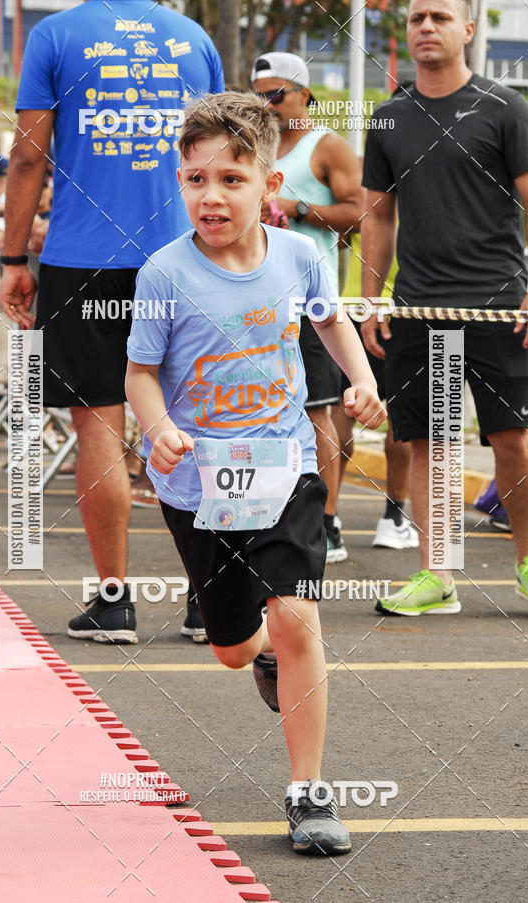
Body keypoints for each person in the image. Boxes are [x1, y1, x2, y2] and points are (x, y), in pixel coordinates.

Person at [125, 91, 386, 853]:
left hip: (285, 464)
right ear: (179, 182)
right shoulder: (163, 274)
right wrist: (161, 427)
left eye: (232, 180)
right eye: (195, 179)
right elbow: (140, 372)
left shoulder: (300, 255)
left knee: (299, 614)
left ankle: (308, 790)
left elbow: (328, 318)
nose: (212, 196)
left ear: (271, 186)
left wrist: (359, 379)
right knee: (234, 645)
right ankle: (260, 651)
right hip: (197, 483)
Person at [1, 0, 224, 644]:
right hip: (182, 256)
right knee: (196, 421)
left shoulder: (55, 33)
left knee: (99, 420)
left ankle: (115, 602)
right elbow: (215, 153)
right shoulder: (190, 37)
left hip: (82, 259)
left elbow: (26, 159)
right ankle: (207, 601)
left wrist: (14, 257)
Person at [361, 0, 528, 616]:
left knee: (512, 438)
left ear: (468, 29)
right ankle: (438, 576)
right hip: (418, 307)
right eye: (416, 19)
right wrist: (372, 297)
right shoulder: (387, 120)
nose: (426, 27)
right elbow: (378, 216)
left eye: (439, 16)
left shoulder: (504, 108)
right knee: (429, 442)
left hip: (498, 305)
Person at [252, 52, 365, 562]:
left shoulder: (327, 146)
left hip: (309, 300)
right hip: (255, 298)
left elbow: (359, 212)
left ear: (304, 94)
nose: (268, 105)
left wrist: (296, 208)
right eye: (260, 95)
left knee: (318, 410)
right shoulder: (255, 146)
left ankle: (327, 519)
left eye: (276, 95)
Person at [335, 230, 418, 550]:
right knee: (403, 417)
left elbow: (341, 237)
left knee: (342, 410)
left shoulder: (367, 194)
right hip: (403, 309)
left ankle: (326, 517)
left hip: (357, 307)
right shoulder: (420, 195)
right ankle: (393, 519)